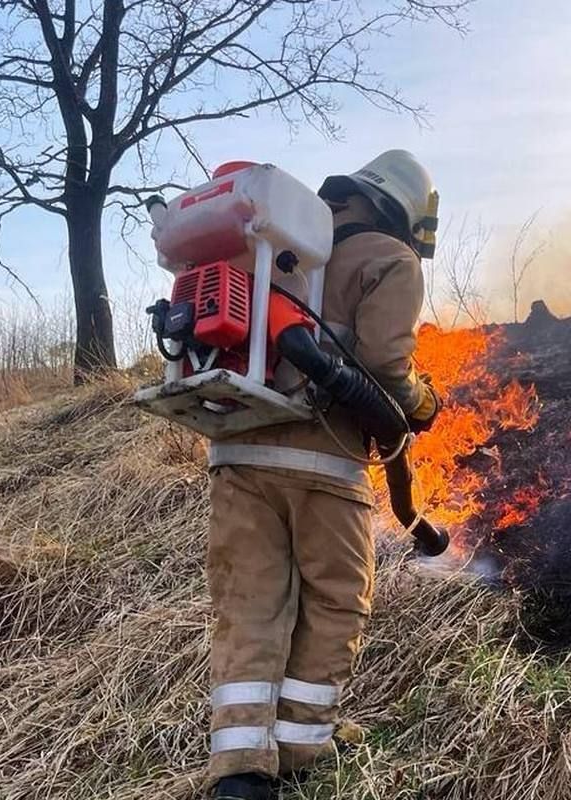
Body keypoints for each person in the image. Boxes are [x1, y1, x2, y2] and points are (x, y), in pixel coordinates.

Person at [203, 150, 442, 800]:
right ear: (403, 213)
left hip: (234, 452)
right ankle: (305, 744)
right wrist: (419, 402)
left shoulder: (274, 248)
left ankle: (241, 770)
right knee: (336, 599)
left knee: (249, 604)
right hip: (323, 460)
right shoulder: (389, 259)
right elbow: (385, 369)